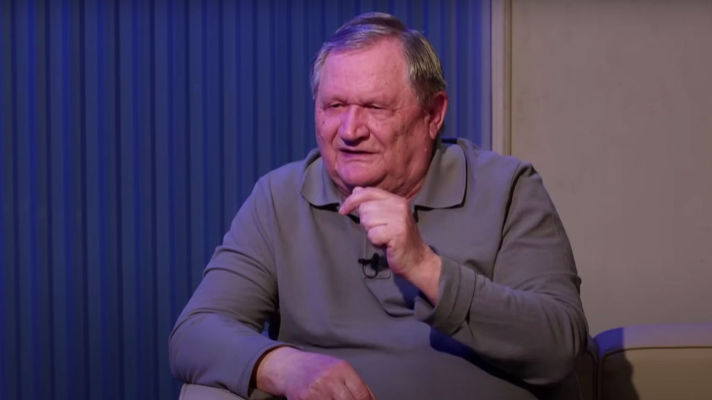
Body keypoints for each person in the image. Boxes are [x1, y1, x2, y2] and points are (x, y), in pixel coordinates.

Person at [169, 12, 587, 400]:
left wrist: (425, 267)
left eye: (374, 107)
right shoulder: (279, 197)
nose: (350, 130)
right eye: (335, 106)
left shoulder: (507, 189)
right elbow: (196, 331)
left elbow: (560, 348)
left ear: (433, 114)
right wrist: (281, 365)